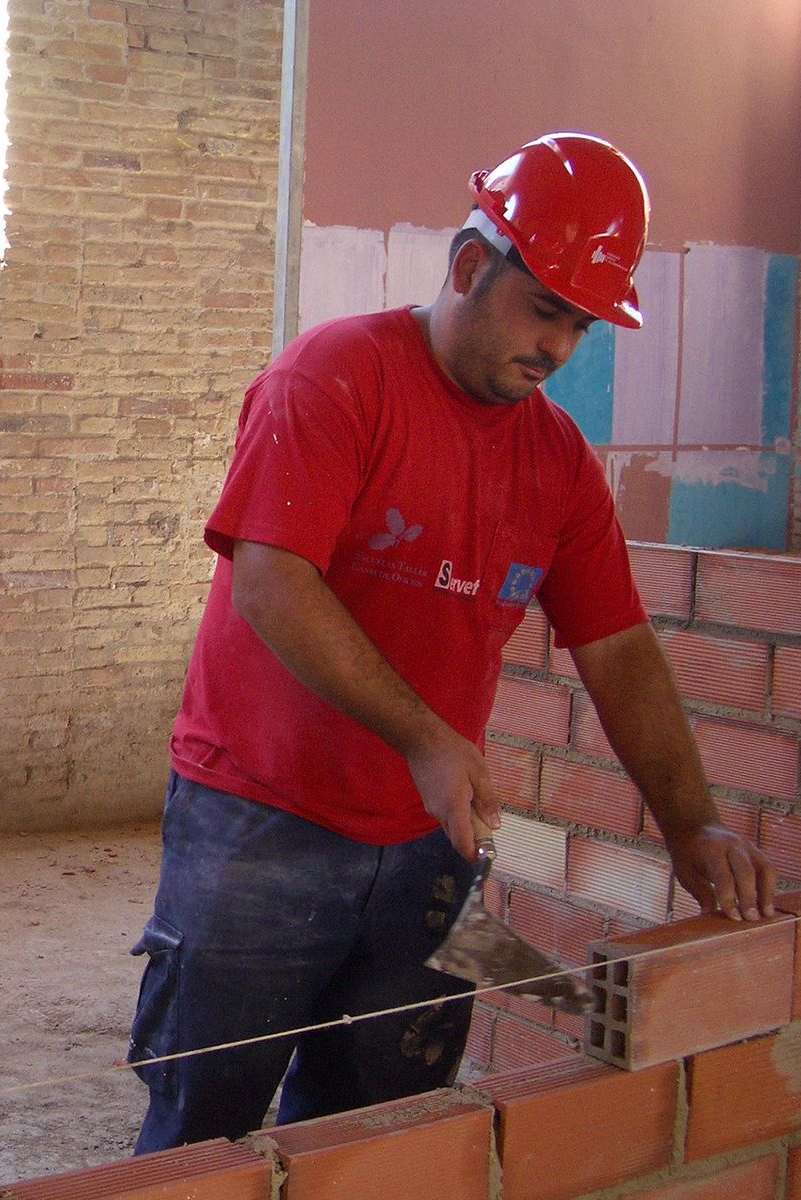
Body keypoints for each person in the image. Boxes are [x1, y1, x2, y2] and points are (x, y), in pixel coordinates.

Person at [128, 132, 777, 1151]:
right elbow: (271, 583)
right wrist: (429, 740)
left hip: (431, 849)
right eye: (543, 309)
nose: (559, 347)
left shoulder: (558, 460)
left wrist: (691, 824)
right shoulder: (336, 378)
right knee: (201, 1138)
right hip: (257, 830)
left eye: (582, 324)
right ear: (471, 267)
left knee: (382, 1137)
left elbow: (618, 649)